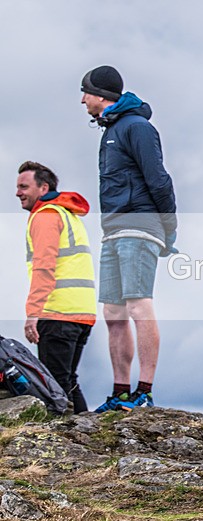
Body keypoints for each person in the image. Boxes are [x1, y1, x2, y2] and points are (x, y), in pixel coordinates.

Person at [80, 65, 177, 412]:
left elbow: (159, 178)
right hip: (114, 228)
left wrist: (168, 226)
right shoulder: (110, 130)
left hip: (140, 224)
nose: (82, 99)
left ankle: (144, 391)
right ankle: (121, 392)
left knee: (138, 303)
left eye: (86, 92)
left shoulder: (136, 127)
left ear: (102, 95)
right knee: (113, 311)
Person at [16, 161, 96, 414]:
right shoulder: (66, 214)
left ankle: (68, 444)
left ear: (43, 187)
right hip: (81, 312)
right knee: (68, 381)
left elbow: (44, 266)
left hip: (57, 311)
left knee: (55, 386)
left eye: (23, 186)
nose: (18, 192)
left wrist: (33, 312)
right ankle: (86, 437)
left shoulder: (46, 216)